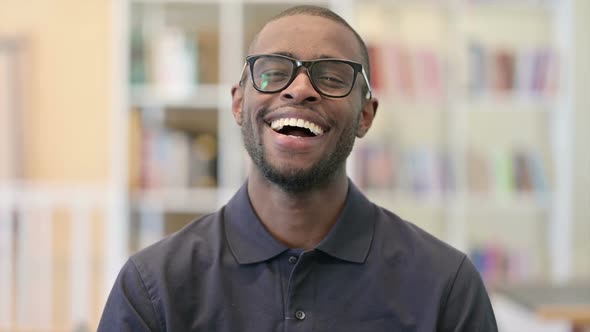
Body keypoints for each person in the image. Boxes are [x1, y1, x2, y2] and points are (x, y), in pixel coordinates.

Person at [98, 5, 497, 331]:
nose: (301, 88)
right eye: (273, 72)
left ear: (365, 115)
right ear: (238, 103)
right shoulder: (154, 287)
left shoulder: (445, 285)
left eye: (332, 76)